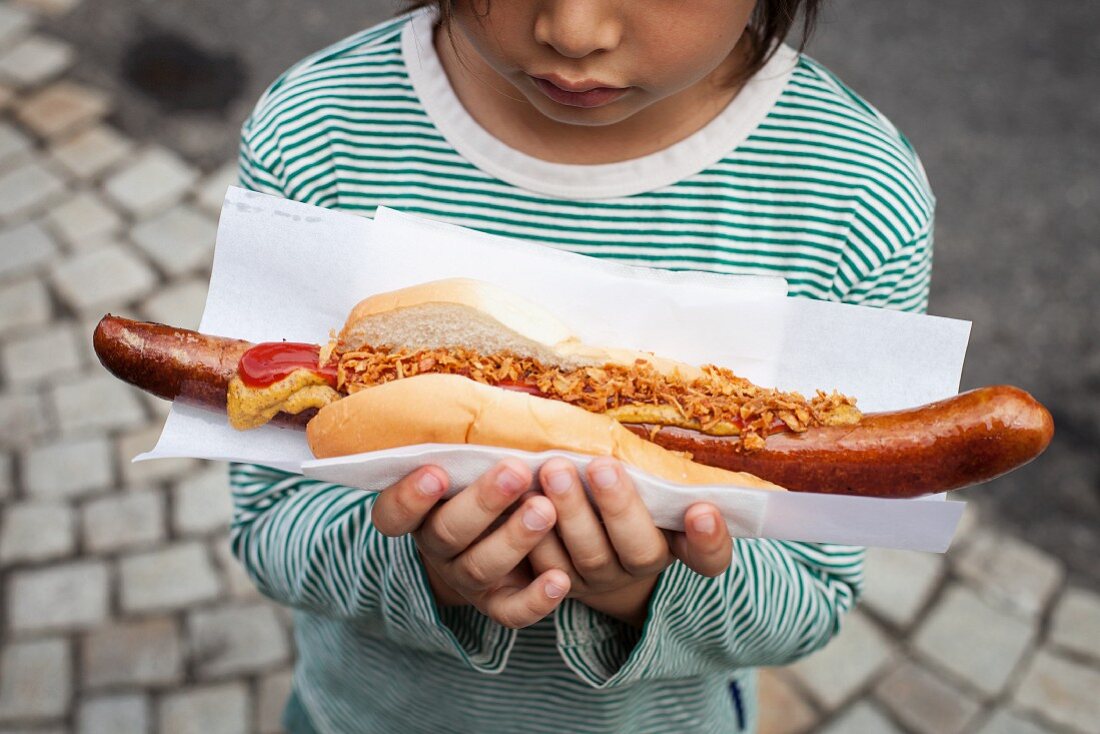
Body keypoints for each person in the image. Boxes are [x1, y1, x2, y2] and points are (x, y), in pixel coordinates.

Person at [231, 1, 933, 731]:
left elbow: (809, 604)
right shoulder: (317, 130)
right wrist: (427, 573)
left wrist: (644, 589)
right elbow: (270, 531)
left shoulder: (856, 197)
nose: (573, 31)